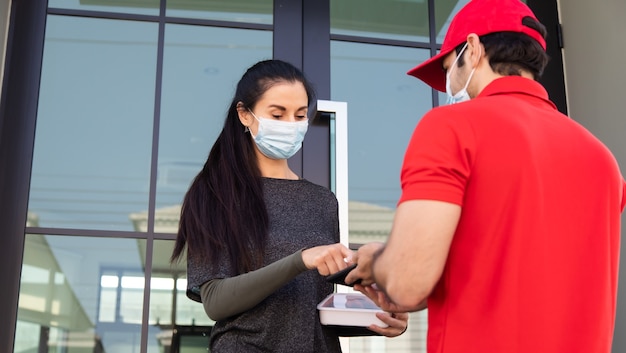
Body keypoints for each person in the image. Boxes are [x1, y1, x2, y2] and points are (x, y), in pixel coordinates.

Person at [345, 0, 626, 352]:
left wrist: (379, 262)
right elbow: (521, 276)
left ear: (473, 49)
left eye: (449, 67)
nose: (449, 84)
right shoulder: (602, 159)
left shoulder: (451, 127)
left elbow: (406, 281)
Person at [170, 59, 408, 352]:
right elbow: (216, 302)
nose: (291, 126)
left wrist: (382, 319)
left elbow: (311, 310)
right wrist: (300, 260)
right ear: (244, 114)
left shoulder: (322, 201)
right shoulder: (213, 193)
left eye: (299, 115)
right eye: (277, 114)